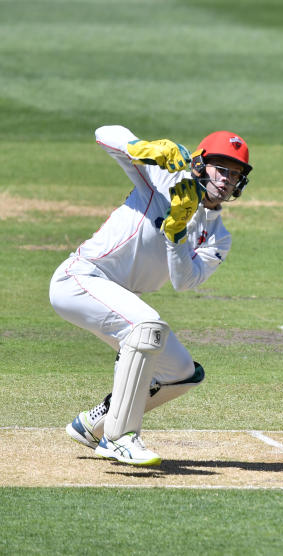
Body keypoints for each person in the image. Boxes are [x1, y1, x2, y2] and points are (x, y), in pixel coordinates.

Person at [50, 125, 252, 466]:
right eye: (222, 170)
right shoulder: (165, 176)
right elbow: (103, 134)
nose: (227, 181)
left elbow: (184, 281)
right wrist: (141, 147)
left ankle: (95, 425)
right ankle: (120, 437)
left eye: (235, 175)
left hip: (120, 296)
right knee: (147, 325)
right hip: (81, 278)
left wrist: (176, 234)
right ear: (201, 163)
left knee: (181, 372)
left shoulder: (218, 236)